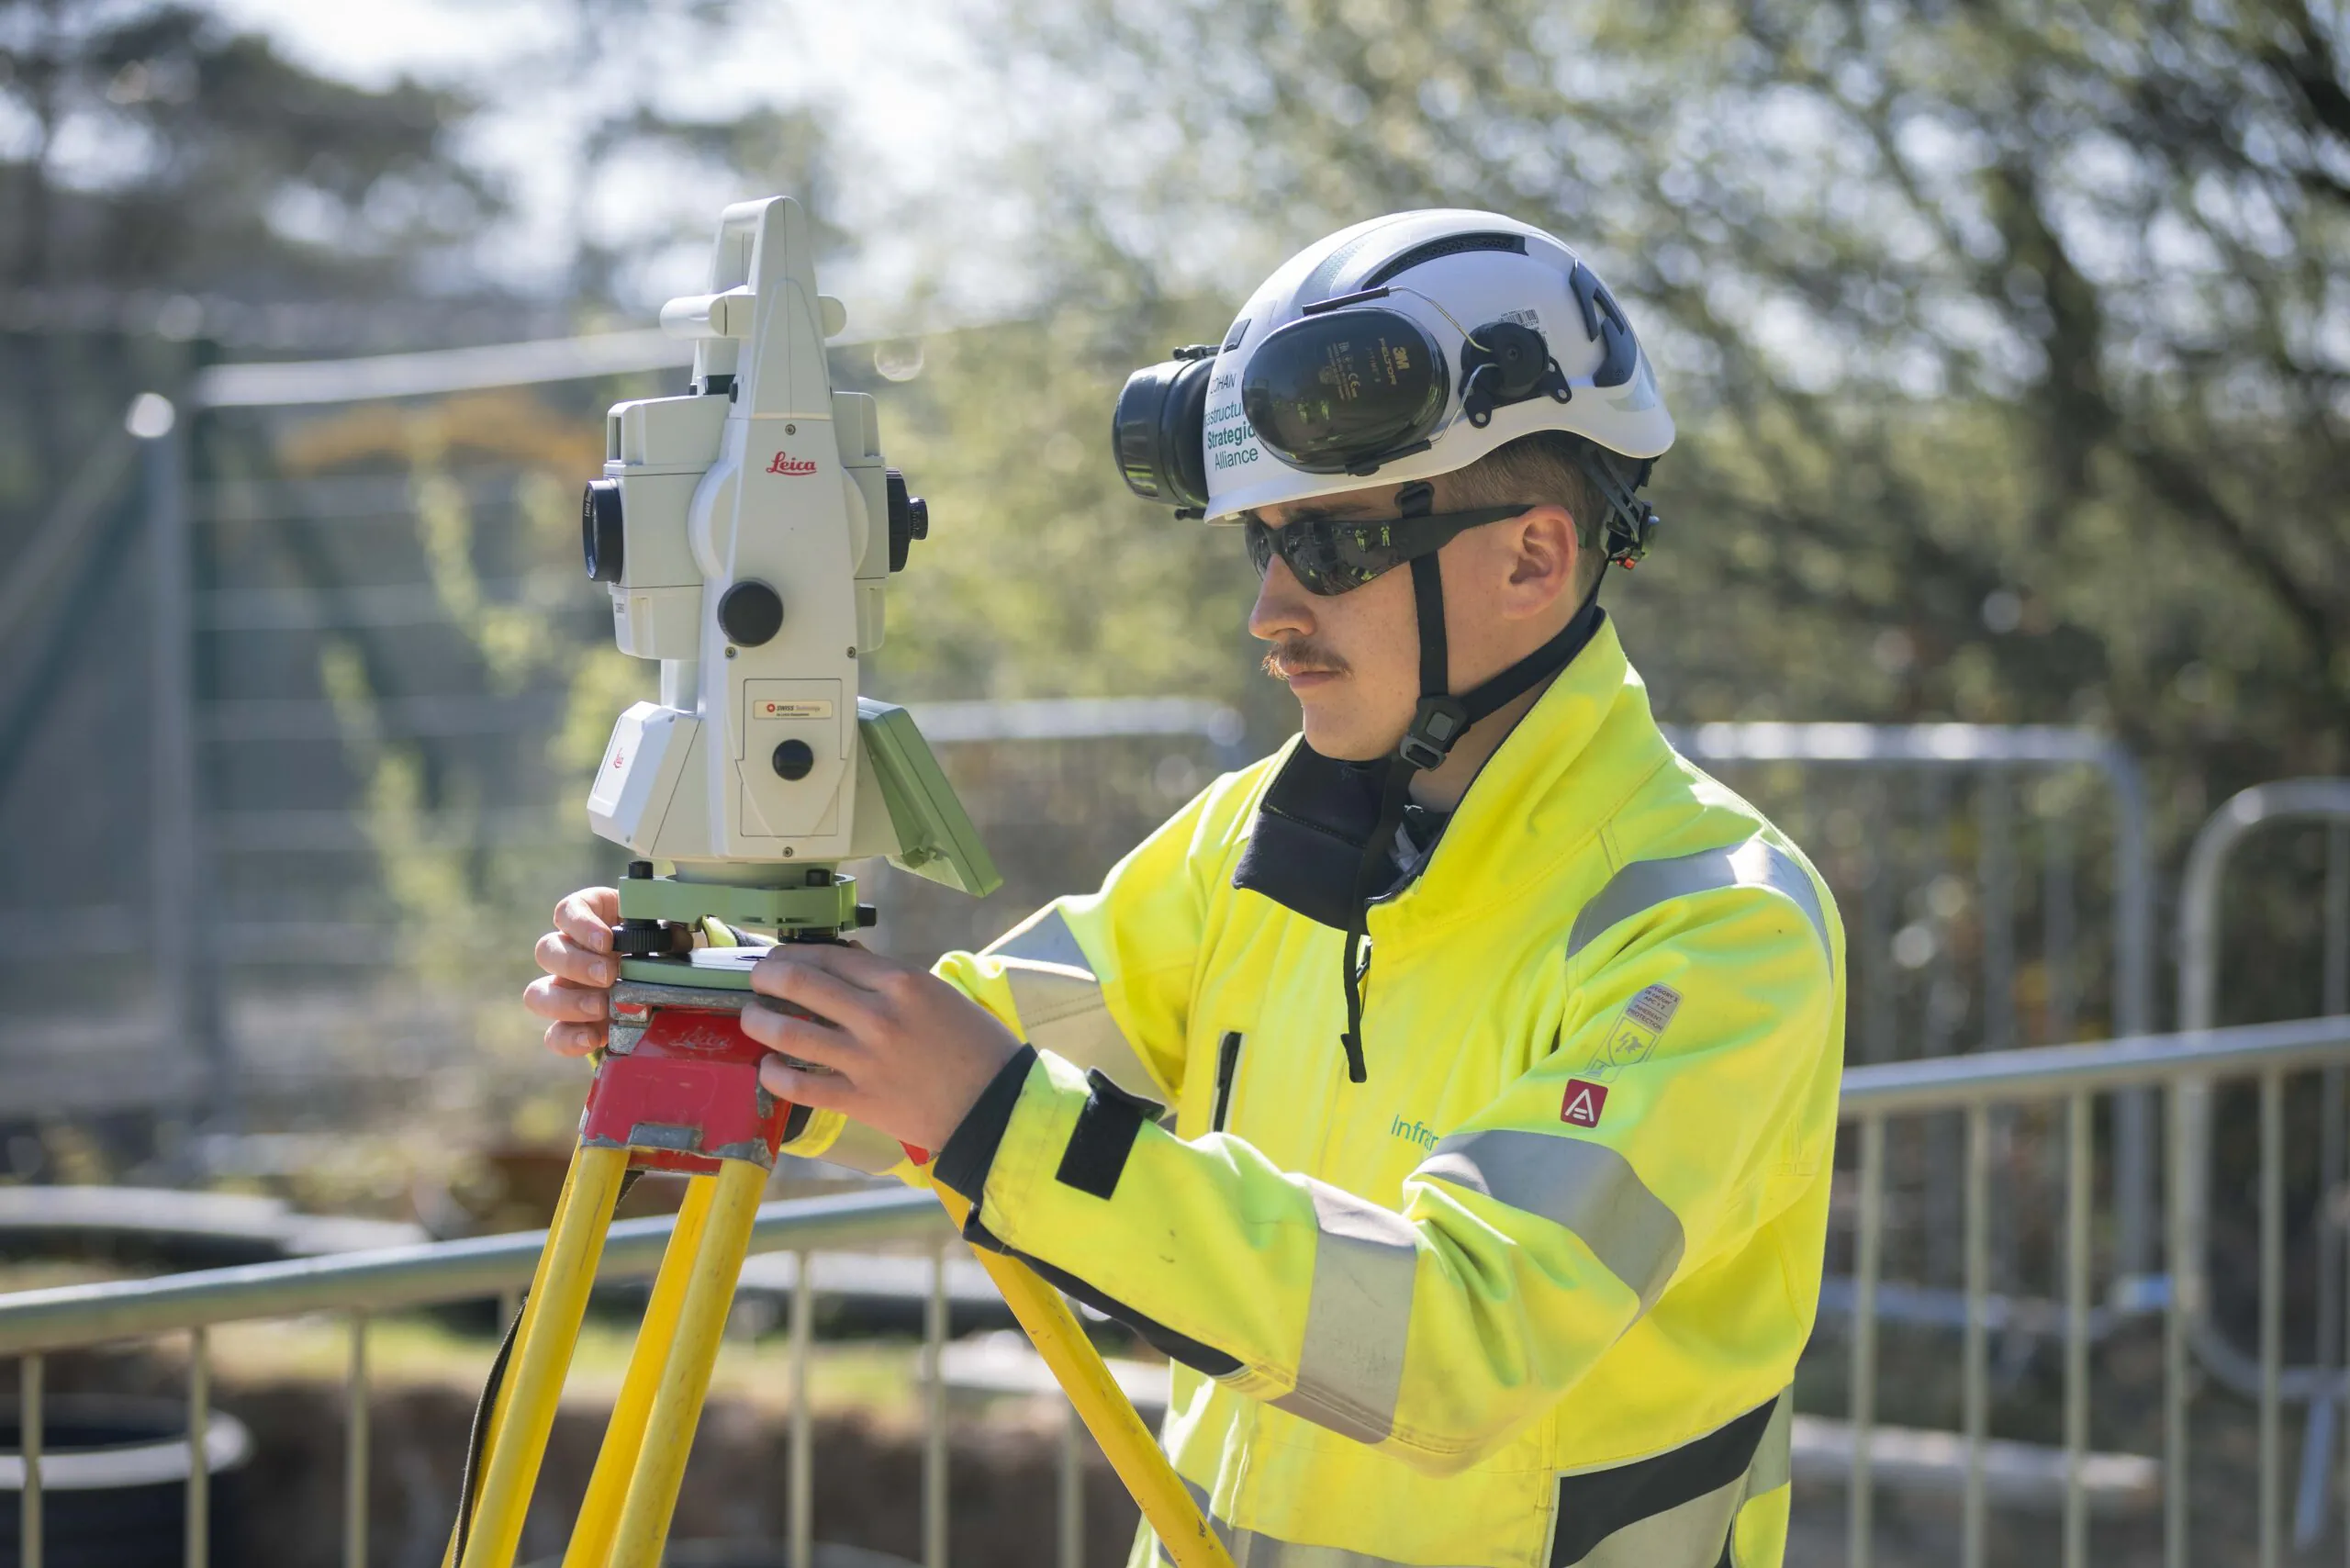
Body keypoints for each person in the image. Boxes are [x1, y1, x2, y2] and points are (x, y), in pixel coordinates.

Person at [527, 211, 1845, 1568]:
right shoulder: (1265, 833)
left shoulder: (1716, 923)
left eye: (1328, 547)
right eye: (1258, 545)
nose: (1270, 610)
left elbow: (1465, 1341)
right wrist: (743, 999)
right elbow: (983, 1043)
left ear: (1533, 558)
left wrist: (990, 1113)